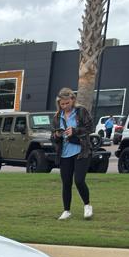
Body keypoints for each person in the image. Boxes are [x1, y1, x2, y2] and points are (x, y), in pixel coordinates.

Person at [52, 88, 93, 221]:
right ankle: (66, 210)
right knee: (66, 183)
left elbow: (90, 128)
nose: (64, 106)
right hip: (65, 153)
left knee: (79, 180)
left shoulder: (81, 111)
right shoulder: (57, 116)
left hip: (81, 151)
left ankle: (87, 205)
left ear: (72, 100)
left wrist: (75, 131)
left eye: (67, 103)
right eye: (62, 104)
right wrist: (57, 134)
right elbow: (53, 136)